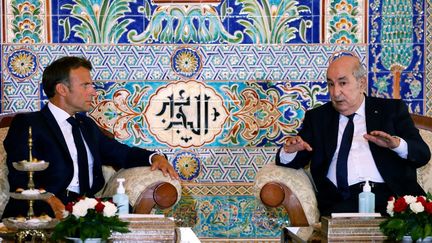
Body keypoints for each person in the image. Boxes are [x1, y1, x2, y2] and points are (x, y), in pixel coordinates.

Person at [2, 56, 179, 219]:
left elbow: (121, 153)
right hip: (41, 209)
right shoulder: (28, 123)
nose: (93, 92)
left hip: (85, 207)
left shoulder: (86, 126)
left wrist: (155, 157)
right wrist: (49, 199)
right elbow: (21, 176)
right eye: (85, 85)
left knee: (133, 217)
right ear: (62, 89)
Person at [276, 51, 431, 216]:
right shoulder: (318, 118)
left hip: (391, 199)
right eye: (331, 84)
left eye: (343, 83)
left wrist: (396, 144)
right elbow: (291, 161)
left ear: (361, 83)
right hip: (341, 201)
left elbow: (422, 154)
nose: (335, 93)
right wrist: (289, 151)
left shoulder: (391, 110)